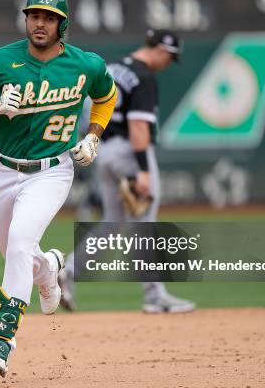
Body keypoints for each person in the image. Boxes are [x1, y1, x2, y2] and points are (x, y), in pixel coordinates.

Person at [0, 0, 117, 378]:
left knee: (19, 241)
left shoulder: (85, 65)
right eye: (33, 16)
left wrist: (94, 135)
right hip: (3, 168)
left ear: (62, 24)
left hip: (51, 170)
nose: (39, 23)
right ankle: (49, 269)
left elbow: (106, 96)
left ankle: (3, 337)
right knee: (11, 249)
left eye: (48, 17)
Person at [59, 29, 196, 314]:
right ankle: (154, 295)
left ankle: (67, 272)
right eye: (170, 58)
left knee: (112, 223)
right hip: (129, 153)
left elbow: (87, 112)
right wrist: (143, 170)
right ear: (162, 51)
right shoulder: (144, 77)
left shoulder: (112, 69)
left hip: (104, 151)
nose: (169, 63)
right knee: (144, 222)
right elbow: (138, 128)